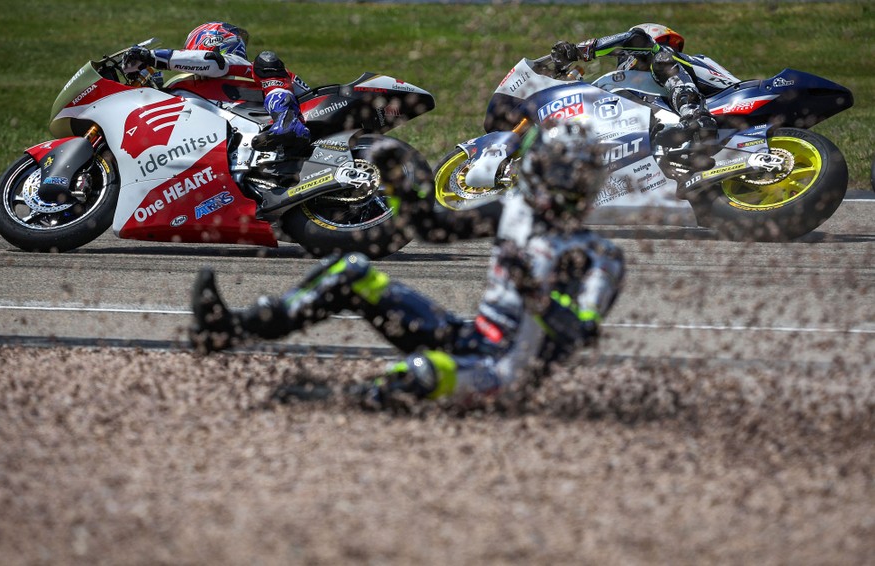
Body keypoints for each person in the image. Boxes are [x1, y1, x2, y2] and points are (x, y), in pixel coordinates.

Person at [188, 122, 625, 409]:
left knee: (422, 373)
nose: (568, 187)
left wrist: (537, 296)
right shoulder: (513, 214)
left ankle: (334, 400)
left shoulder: (598, 256)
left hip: (504, 374)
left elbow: (578, 334)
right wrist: (399, 185)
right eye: (562, 174)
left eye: (577, 178)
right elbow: (433, 228)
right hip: (468, 336)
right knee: (352, 271)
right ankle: (232, 327)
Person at [122, 22, 311, 158]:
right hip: (222, 144)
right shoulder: (181, 87)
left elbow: (211, 62)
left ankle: (287, 122)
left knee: (266, 59)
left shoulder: (235, 64)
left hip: (306, 110)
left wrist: (151, 56)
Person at [551, 23, 739, 149]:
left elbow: (635, 40)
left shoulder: (660, 53)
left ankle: (695, 115)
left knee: (661, 60)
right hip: (693, 124)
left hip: (723, 101)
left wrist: (579, 51)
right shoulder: (649, 93)